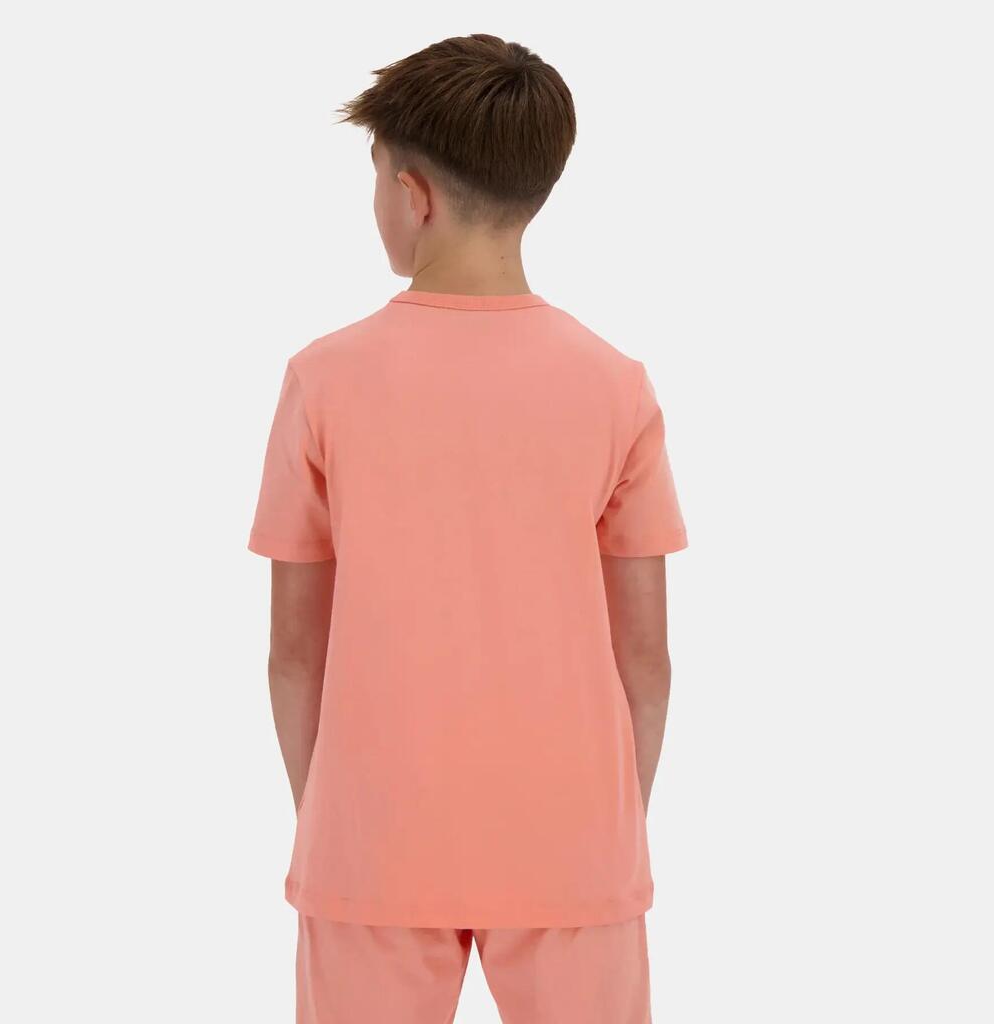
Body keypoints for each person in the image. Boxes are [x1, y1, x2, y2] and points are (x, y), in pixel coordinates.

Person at [249, 33, 687, 1024]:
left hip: (375, 830)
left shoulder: (323, 379)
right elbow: (646, 657)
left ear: (413, 196)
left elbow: (293, 651)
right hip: (570, 832)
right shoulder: (614, 384)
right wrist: (605, 830)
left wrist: (338, 823)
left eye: (375, 180)